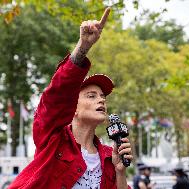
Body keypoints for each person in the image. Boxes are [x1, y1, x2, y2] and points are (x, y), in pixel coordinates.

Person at [8, 7, 133, 189]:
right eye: (91, 96)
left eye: (102, 96)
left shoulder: (110, 156)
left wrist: (120, 172)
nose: (101, 100)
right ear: (72, 106)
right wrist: (83, 47)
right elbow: (56, 97)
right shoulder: (52, 141)